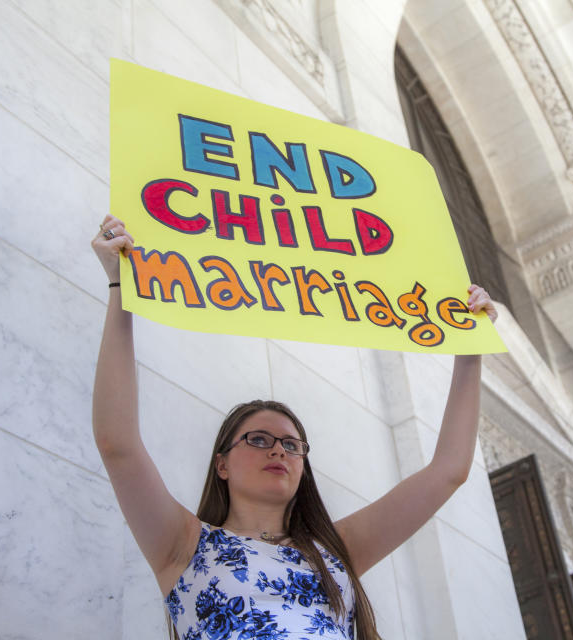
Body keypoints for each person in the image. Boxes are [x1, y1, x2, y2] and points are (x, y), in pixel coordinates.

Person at [92, 214, 498, 640]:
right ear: (222, 464)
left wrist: (471, 349)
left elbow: (448, 471)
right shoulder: (184, 545)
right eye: (260, 439)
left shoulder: (336, 551)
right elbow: (117, 444)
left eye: (292, 444)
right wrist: (120, 288)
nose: (279, 451)